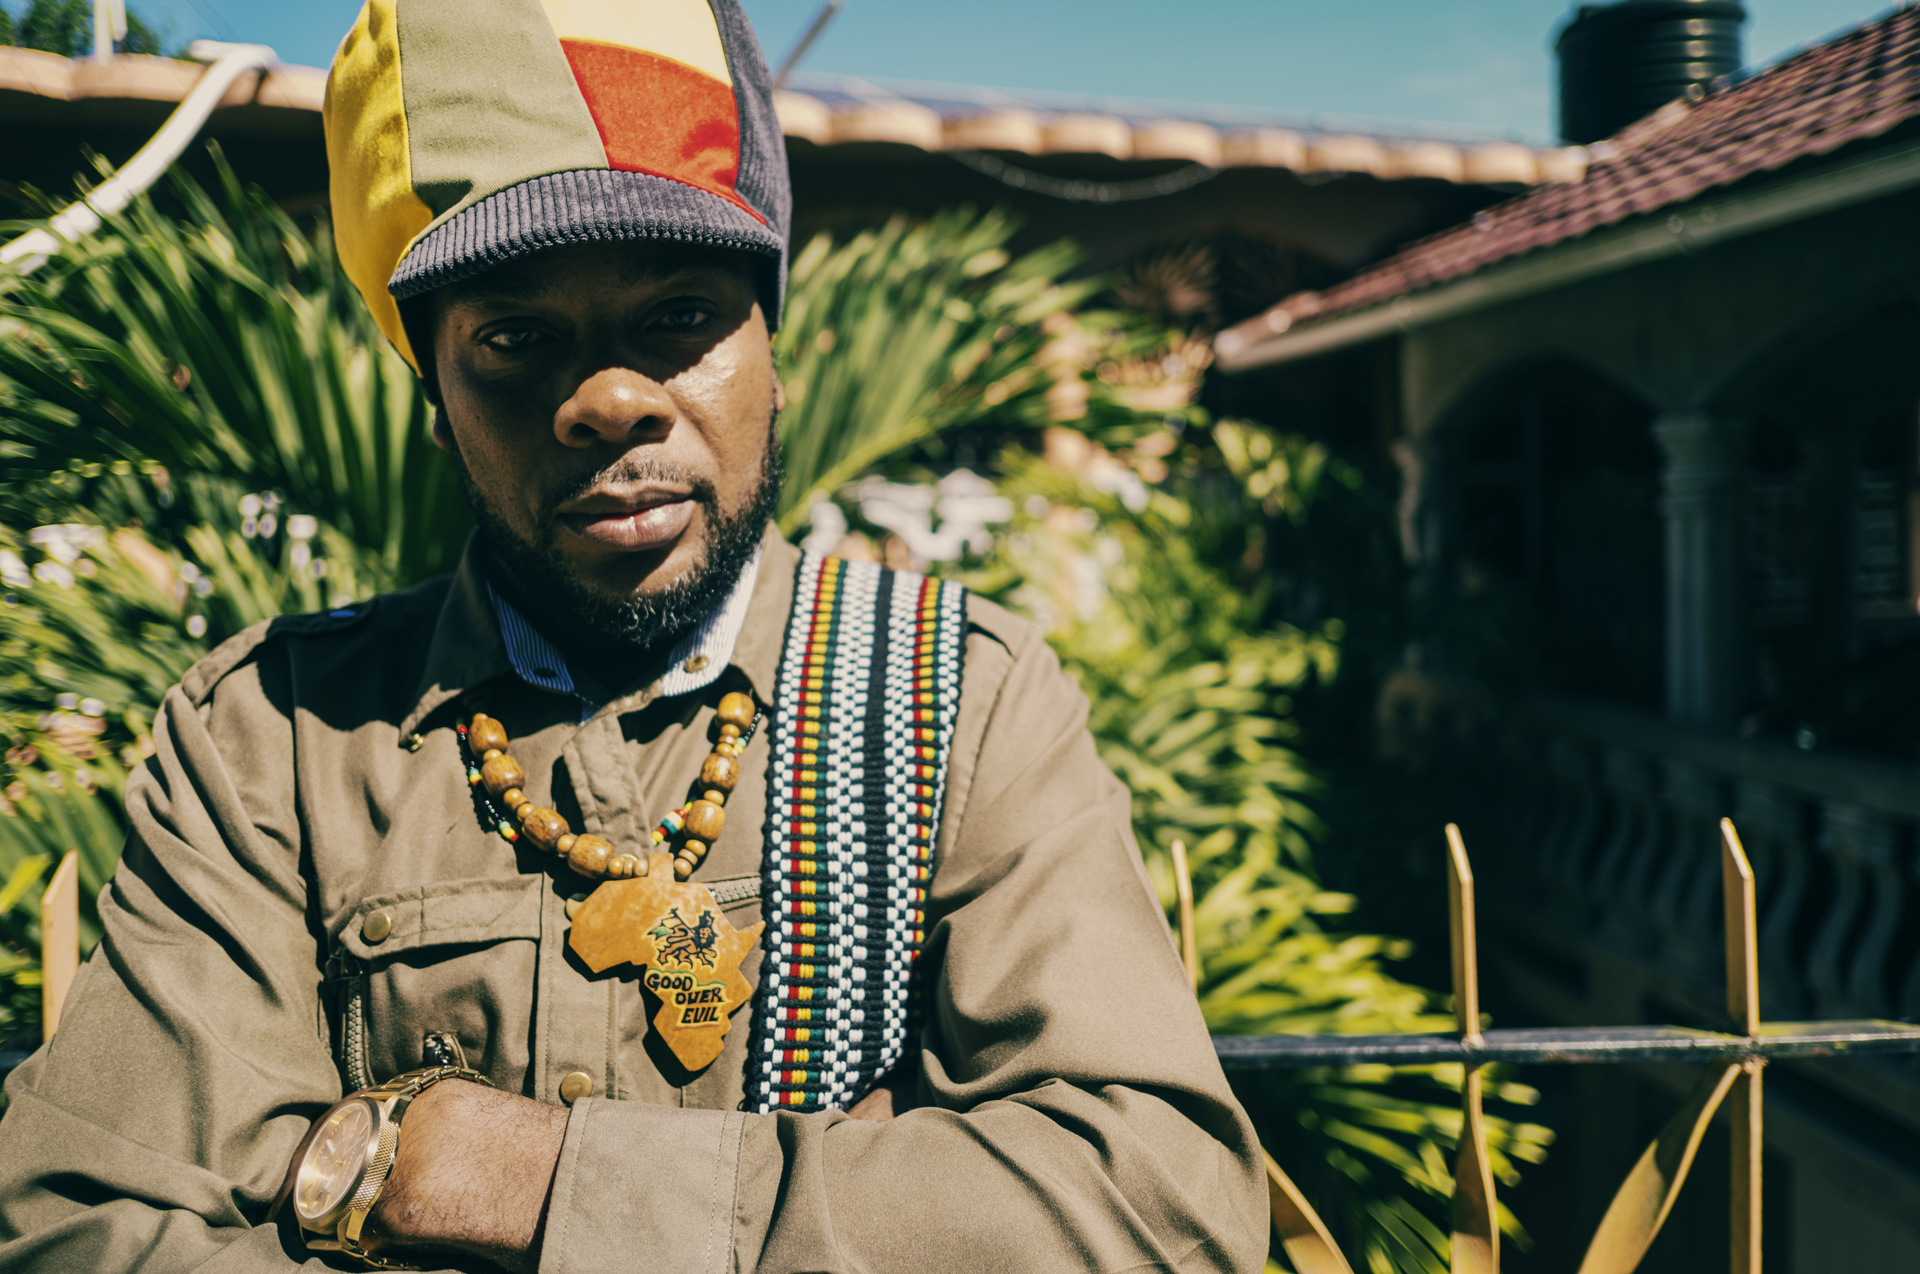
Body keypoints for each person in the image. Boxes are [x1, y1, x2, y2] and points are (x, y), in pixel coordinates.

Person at [0, 2, 1267, 1270]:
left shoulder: (960, 699)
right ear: (435, 398)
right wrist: (874, 1197)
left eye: (678, 315)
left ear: (778, 353)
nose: (609, 401)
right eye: (514, 337)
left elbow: (1157, 1208)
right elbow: (82, 1225)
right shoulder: (275, 736)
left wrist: (501, 1171)